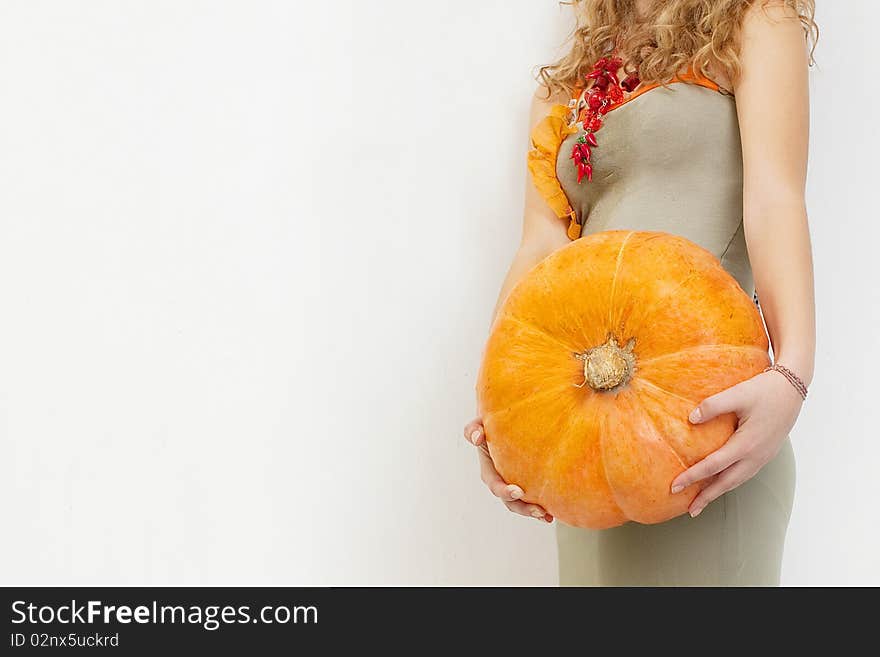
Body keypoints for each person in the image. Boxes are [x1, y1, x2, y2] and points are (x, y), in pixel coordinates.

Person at [463, 0, 817, 586]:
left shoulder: (756, 18)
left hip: (702, 438)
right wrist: (495, 414)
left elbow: (775, 199)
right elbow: (539, 251)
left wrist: (793, 376)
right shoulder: (568, 83)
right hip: (582, 450)